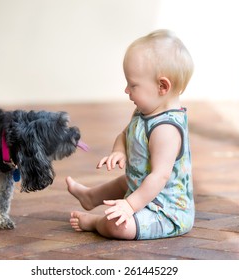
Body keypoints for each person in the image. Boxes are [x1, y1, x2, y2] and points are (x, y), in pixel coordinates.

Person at [67, 29, 195, 240]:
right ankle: (90, 197)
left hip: (165, 213)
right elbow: (125, 134)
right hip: (142, 192)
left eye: (133, 85)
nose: (127, 90)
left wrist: (129, 205)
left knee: (118, 225)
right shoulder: (145, 112)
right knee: (124, 181)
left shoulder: (166, 130)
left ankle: (96, 222)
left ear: (162, 86)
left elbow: (159, 176)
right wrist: (120, 151)